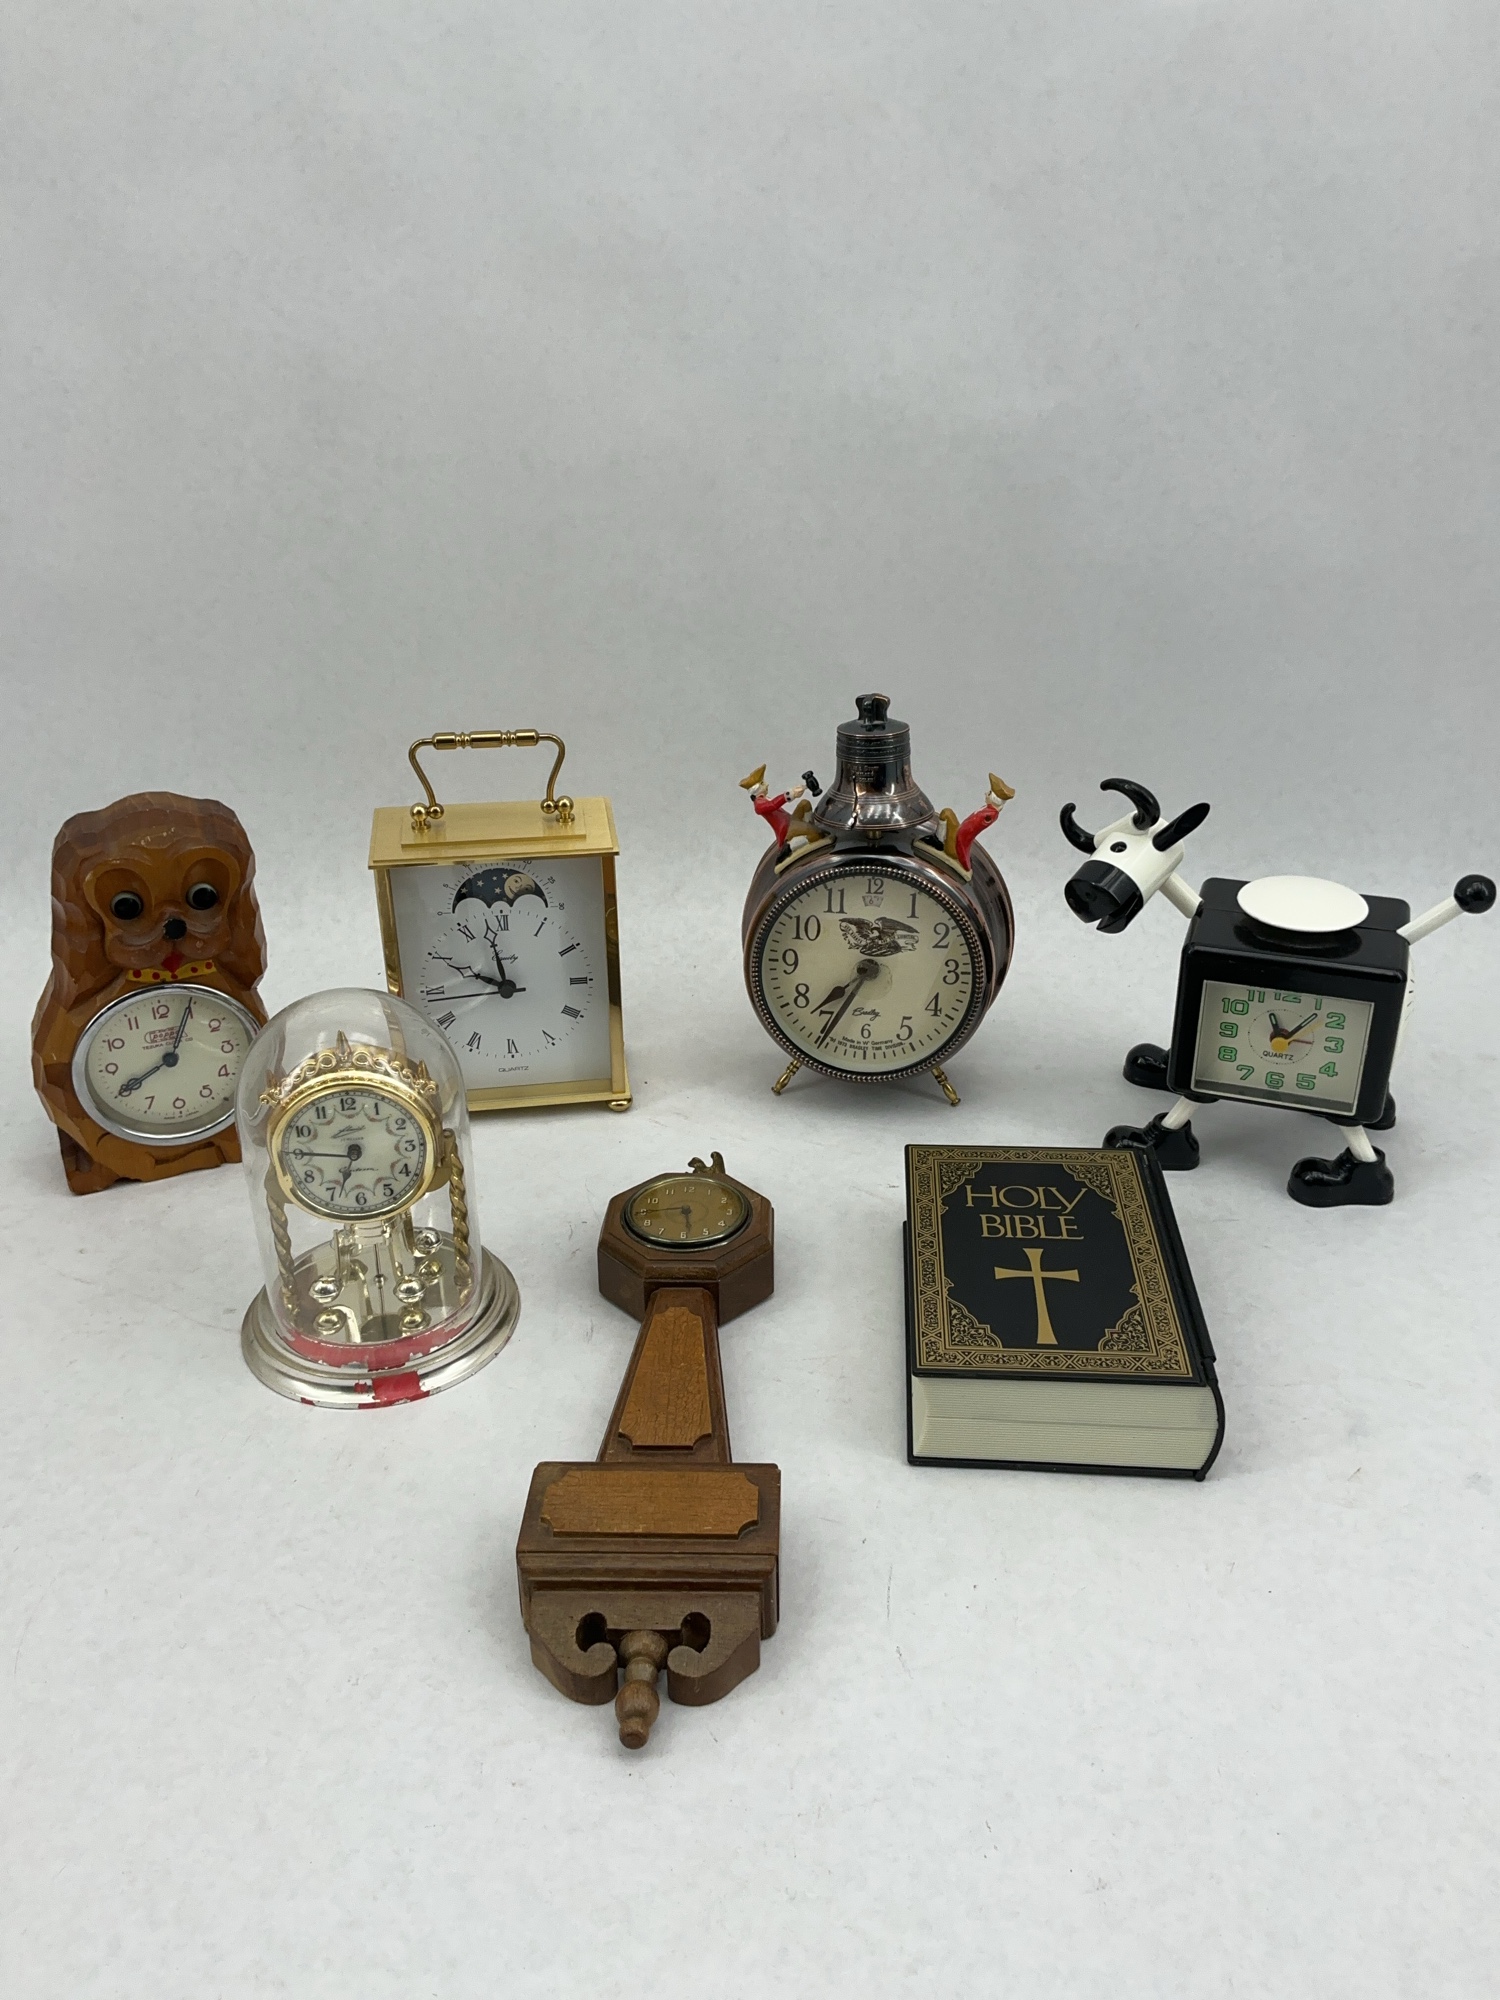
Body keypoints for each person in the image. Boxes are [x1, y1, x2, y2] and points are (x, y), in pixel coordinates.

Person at [952, 774, 1016, 870]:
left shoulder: (989, 814)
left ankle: (937, 840)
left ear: (995, 799)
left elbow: (970, 828)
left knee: (947, 815)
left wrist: (958, 834)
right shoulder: (987, 809)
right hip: (961, 832)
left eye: (989, 793)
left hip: (961, 837)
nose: (986, 794)